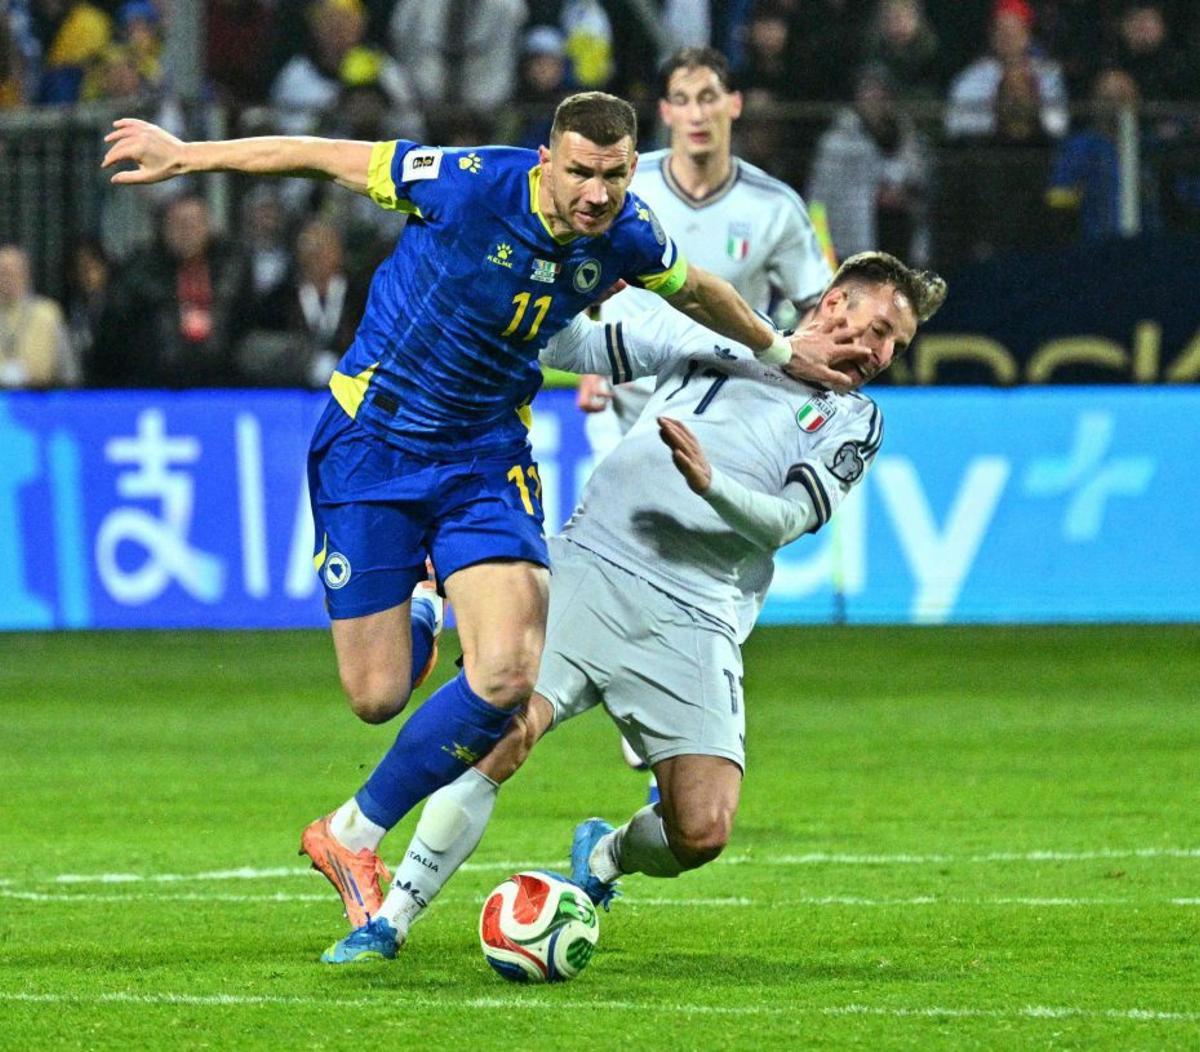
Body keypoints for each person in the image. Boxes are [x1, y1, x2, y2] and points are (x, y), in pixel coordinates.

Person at [102, 93, 873, 913]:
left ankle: (351, 835)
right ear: (547, 161)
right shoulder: (468, 183)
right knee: (377, 696)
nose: (597, 193)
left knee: (509, 671)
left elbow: (696, 290)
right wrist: (187, 156)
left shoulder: (627, 233)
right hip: (375, 441)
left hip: (484, 456)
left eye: (614, 175)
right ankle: (429, 605)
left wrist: (782, 350)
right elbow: (323, 153)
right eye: (580, 172)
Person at [315, 250, 948, 963]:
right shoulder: (716, 330)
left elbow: (784, 523)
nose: (883, 351)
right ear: (835, 303)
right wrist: (577, 296)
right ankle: (390, 920)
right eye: (880, 327)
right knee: (501, 734)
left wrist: (710, 484)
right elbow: (558, 343)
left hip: (696, 611)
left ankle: (604, 861)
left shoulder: (853, 419)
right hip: (592, 565)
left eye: (897, 343)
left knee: (702, 830)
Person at [575, 46, 834, 794]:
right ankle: (653, 720)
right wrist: (592, 358)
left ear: (734, 106)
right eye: (681, 99)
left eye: (708, 96)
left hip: (716, 425)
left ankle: (666, 724)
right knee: (620, 576)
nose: (695, 112)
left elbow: (814, 310)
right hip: (625, 410)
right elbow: (580, 270)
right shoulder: (627, 183)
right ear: (664, 112)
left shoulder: (774, 208)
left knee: (703, 583)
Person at [0, 244, 74, 388]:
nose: (8, 279)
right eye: (3, 273)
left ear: (26, 274)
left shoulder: (48, 313)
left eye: (14, 272)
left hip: (40, 400)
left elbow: (68, 371)